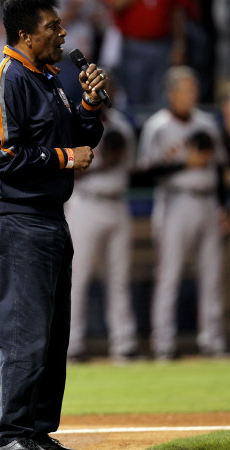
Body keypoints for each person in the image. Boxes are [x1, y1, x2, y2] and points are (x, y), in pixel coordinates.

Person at [0, 0, 107, 448]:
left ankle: (36, 432)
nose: (63, 33)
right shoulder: (6, 77)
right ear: (27, 35)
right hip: (13, 213)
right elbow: (3, 157)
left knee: (51, 335)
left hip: (48, 213)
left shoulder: (49, 80)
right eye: (53, 26)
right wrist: (68, 157)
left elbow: (78, 137)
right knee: (25, 332)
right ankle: (10, 435)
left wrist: (88, 105)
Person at [137, 66, 228, 360]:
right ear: (172, 93)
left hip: (207, 203)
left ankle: (212, 341)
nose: (192, 95)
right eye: (186, 89)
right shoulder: (158, 126)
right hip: (175, 201)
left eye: (194, 89)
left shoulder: (207, 124)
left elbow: (217, 168)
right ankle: (164, 343)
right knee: (169, 274)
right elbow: (145, 174)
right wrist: (183, 165)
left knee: (211, 275)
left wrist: (223, 205)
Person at [66, 103, 138, 363]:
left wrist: (113, 161)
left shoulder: (121, 126)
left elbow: (131, 167)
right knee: (77, 277)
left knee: (119, 277)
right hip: (86, 203)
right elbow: (68, 170)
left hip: (117, 202)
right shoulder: (75, 123)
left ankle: (124, 343)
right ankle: (72, 345)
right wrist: (103, 163)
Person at [100, 0, 199, 107]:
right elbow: (117, 4)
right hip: (133, 45)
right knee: (133, 94)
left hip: (162, 44)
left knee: (159, 95)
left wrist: (179, 44)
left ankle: (156, 123)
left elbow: (178, 10)